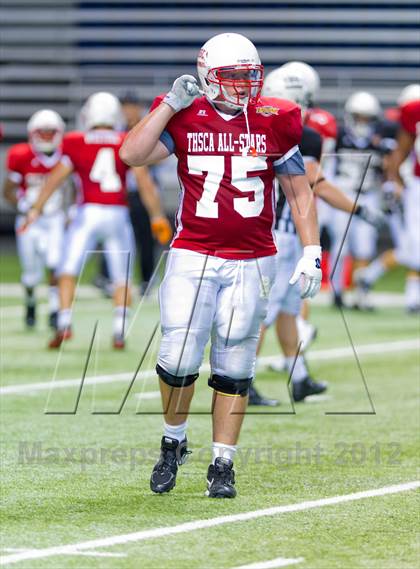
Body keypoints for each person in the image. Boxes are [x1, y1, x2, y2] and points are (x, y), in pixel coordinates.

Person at [120, 32, 322, 498]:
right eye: (233, 77)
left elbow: (297, 190)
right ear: (209, 77)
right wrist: (170, 104)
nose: (244, 86)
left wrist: (312, 249)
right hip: (194, 252)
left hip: (254, 258)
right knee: (178, 355)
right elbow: (131, 154)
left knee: (235, 361)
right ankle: (174, 441)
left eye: (250, 76)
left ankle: (222, 463)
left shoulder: (276, 119)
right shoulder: (186, 115)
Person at [249, 64, 386, 406]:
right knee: (267, 310)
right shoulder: (301, 135)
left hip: (272, 229)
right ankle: (243, 379)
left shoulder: (251, 128)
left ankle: (299, 377)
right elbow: (316, 183)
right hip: (279, 233)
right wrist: (358, 208)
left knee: (287, 310)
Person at [23, 92, 172, 349]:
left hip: (88, 212)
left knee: (67, 268)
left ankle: (64, 322)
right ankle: (119, 330)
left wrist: (36, 208)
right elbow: (145, 182)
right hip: (117, 212)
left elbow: (55, 179)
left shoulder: (75, 141)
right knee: (121, 273)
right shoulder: (124, 139)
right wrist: (157, 215)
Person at [355, 83, 420, 313]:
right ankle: (408, 295)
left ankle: (410, 296)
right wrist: (393, 184)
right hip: (406, 192)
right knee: (412, 248)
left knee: (411, 248)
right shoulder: (396, 125)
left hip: (407, 189)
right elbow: (394, 160)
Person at [3, 109, 67, 329]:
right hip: (29, 219)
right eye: (43, 132)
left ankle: (54, 309)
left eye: (51, 133)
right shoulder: (21, 155)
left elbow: (74, 188)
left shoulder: (66, 156)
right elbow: (8, 190)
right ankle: (30, 301)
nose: (47, 137)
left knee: (54, 263)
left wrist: (72, 211)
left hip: (54, 217)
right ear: (33, 133)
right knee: (31, 273)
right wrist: (23, 206)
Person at [330, 91, 389, 310]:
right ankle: (337, 291)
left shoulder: (381, 141)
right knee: (340, 246)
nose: (363, 122)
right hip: (343, 193)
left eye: (367, 117)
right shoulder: (339, 136)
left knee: (365, 247)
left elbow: (386, 168)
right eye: (359, 116)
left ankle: (361, 293)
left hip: (368, 195)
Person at [120, 91, 157, 296]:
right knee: (120, 235)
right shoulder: (116, 130)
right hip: (122, 191)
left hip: (144, 189)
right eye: (124, 106)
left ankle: (146, 278)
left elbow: (160, 156)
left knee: (146, 237)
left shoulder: (146, 127)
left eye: (130, 106)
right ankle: (111, 277)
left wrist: (140, 158)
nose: (128, 111)